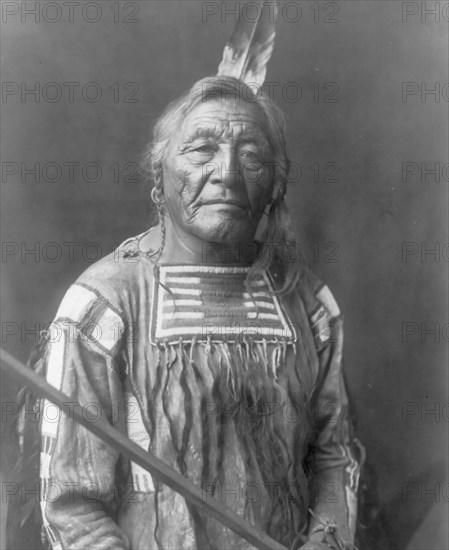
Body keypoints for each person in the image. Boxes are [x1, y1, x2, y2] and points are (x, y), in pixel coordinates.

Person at [38, 76, 360, 550]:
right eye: (201, 150)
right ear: (159, 174)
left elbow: (332, 459)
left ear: (274, 185)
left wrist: (324, 543)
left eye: (252, 156)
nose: (227, 173)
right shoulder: (103, 306)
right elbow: (72, 505)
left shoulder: (309, 304)